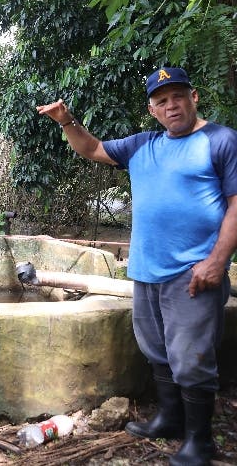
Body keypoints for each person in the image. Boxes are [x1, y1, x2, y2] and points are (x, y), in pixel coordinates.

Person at [37, 67, 237, 466]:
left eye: (177, 96)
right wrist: (67, 121)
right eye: (162, 101)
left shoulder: (221, 141)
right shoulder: (142, 145)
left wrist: (217, 261)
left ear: (193, 97)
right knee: (157, 349)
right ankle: (167, 419)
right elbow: (91, 149)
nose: (171, 105)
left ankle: (200, 441)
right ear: (152, 109)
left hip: (193, 272)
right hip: (146, 269)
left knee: (192, 356)